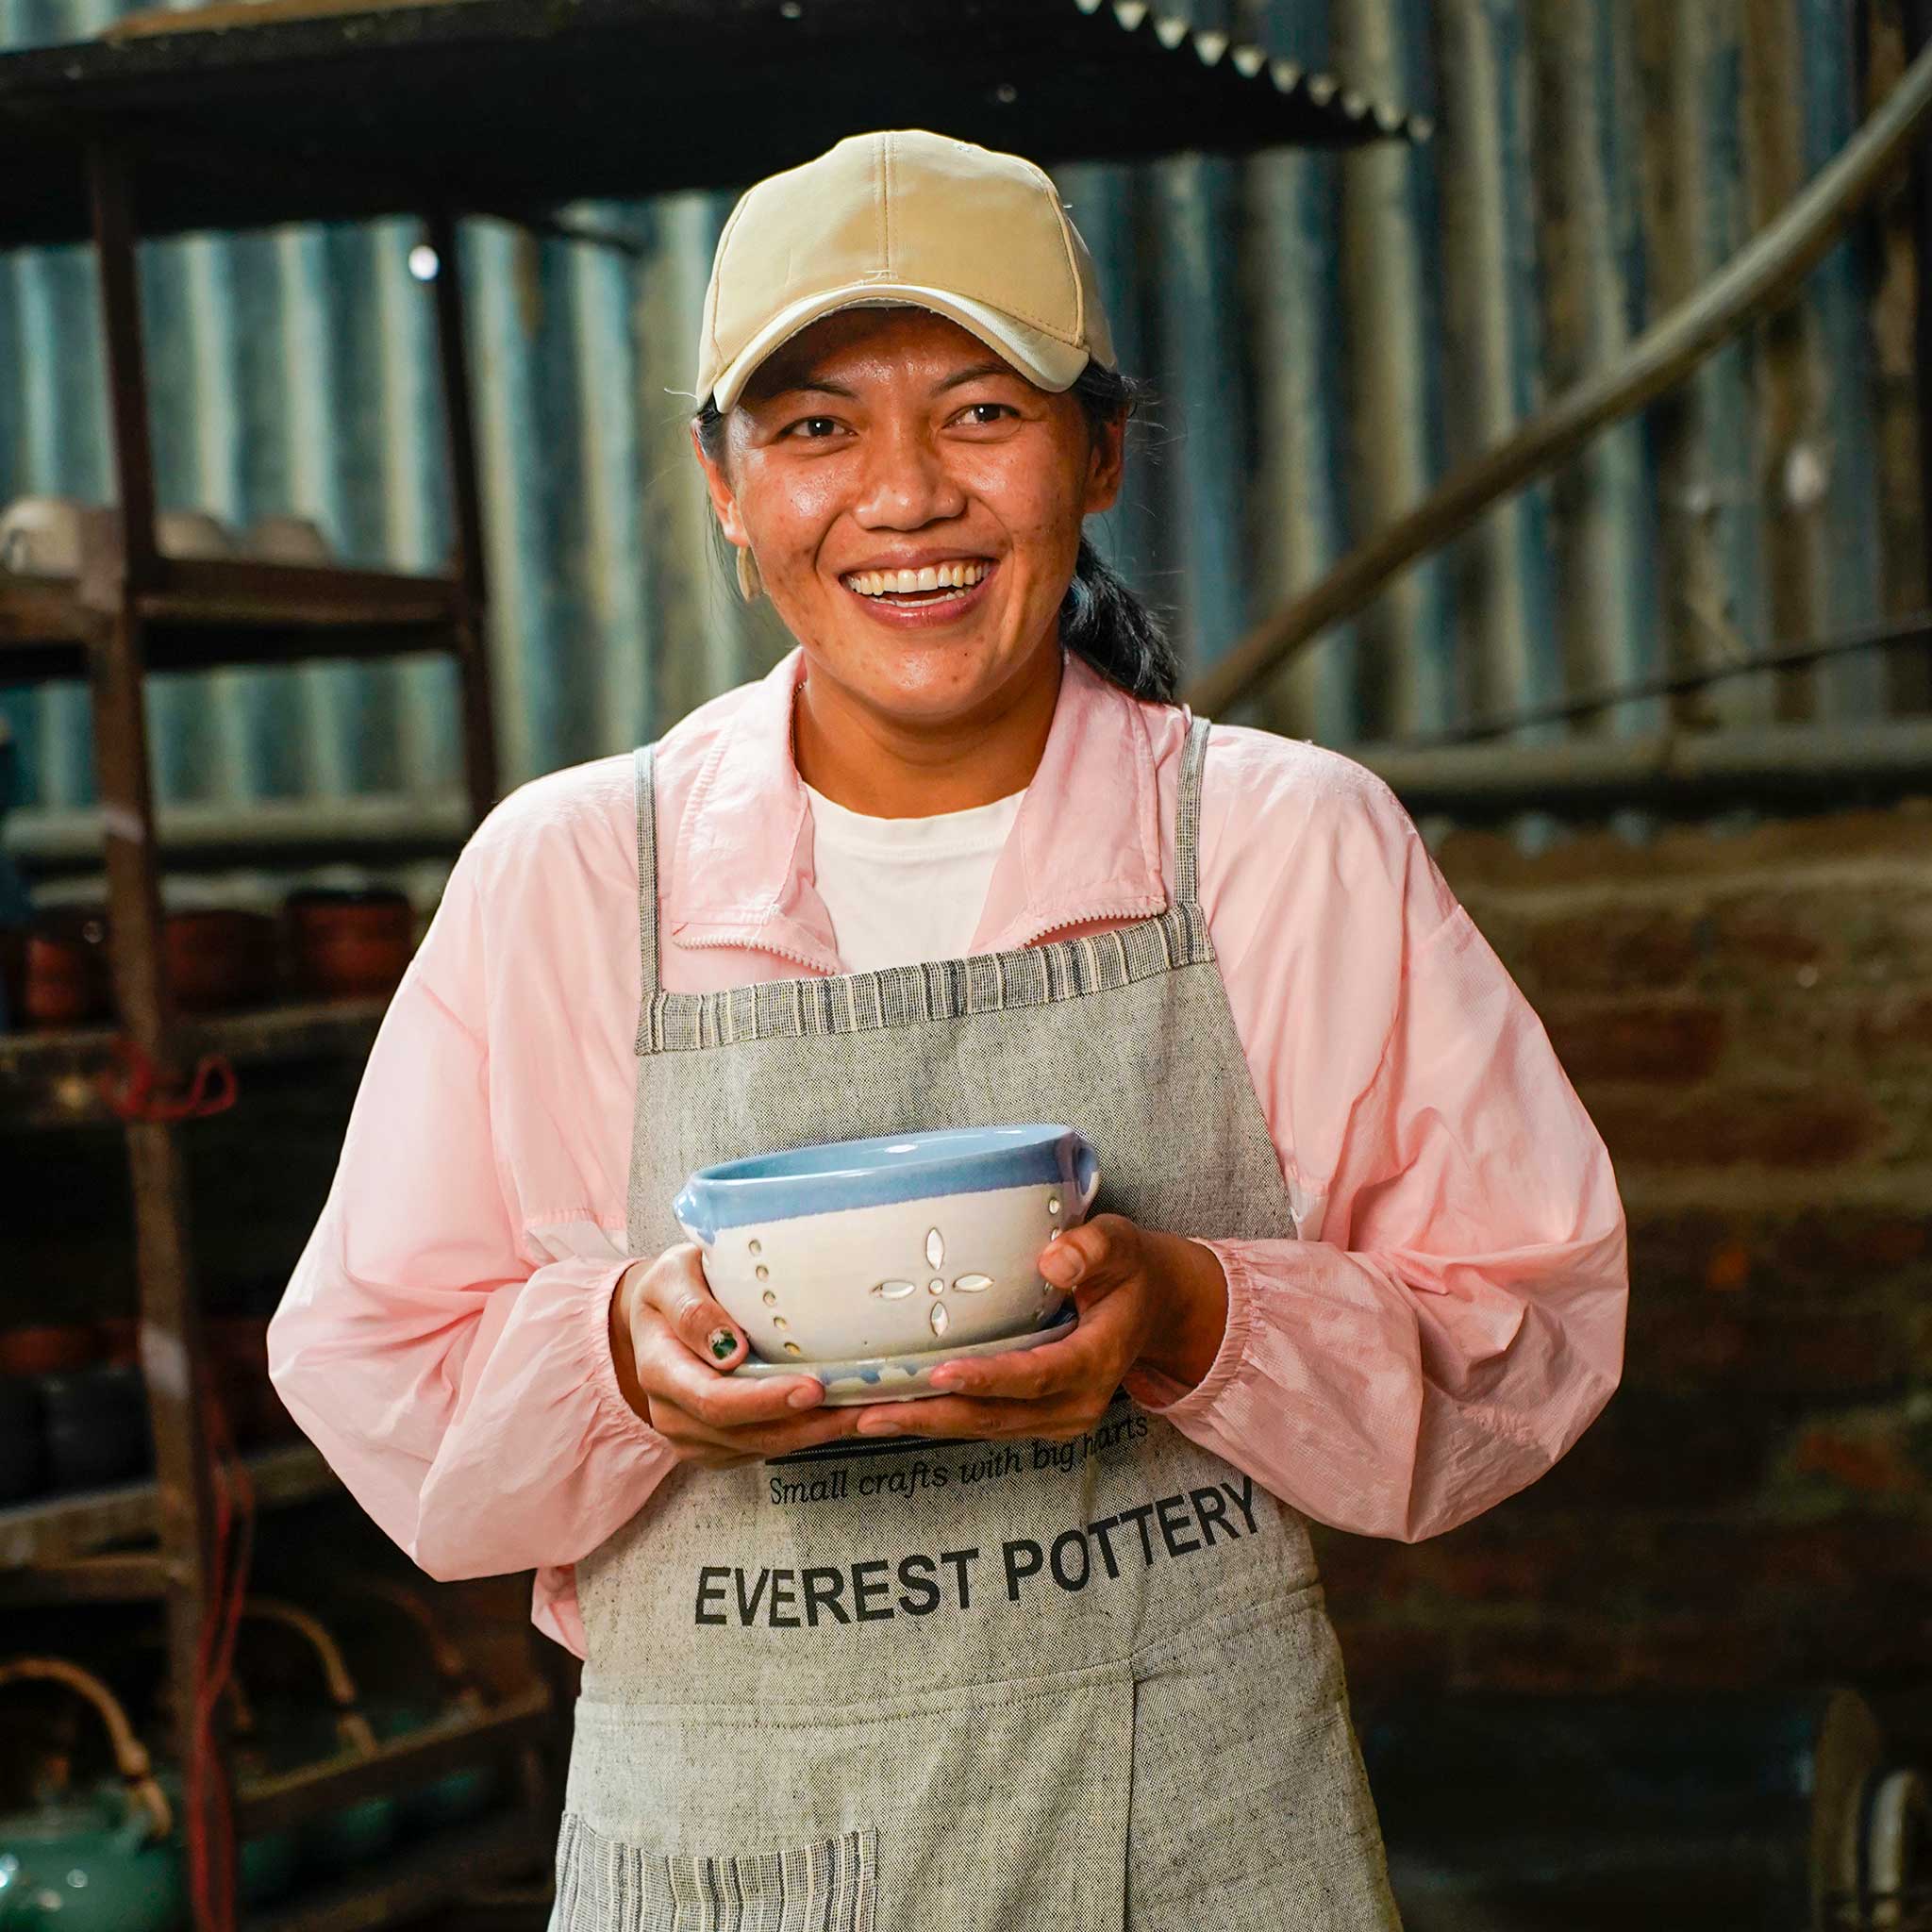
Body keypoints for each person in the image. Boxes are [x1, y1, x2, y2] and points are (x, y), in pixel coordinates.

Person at [270, 127, 1627, 1929]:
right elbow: (379, 1372)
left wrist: (1193, 1310)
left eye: (982, 412)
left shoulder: (1283, 847)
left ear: (1098, 452)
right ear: (723, 487)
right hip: (732, 1848)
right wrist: (620, 1356)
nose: (903, 497)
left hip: (1198, 1836)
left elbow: (1528, 1319)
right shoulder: (580, 876)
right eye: (817, 426)